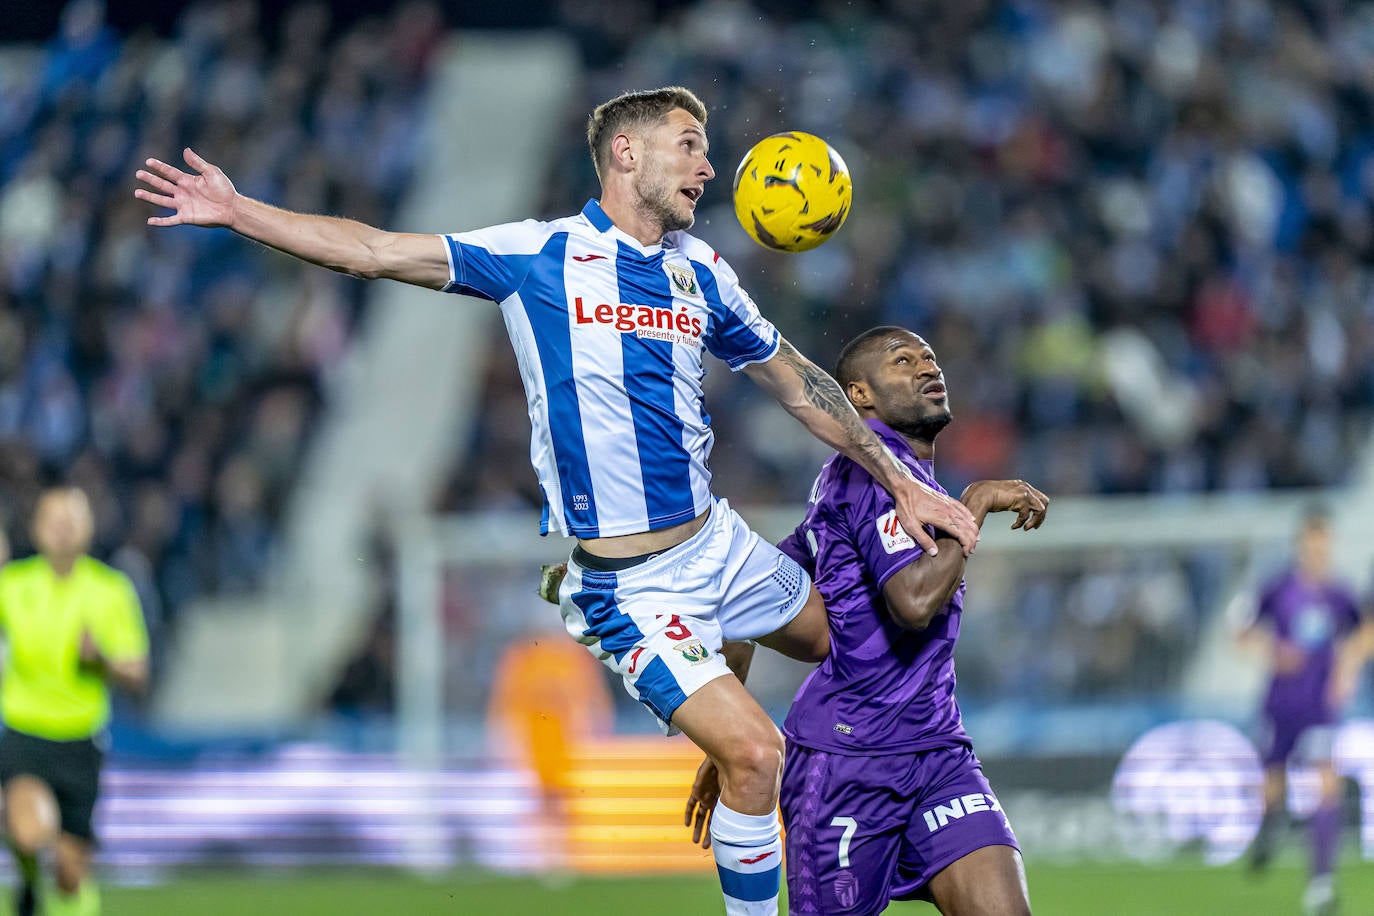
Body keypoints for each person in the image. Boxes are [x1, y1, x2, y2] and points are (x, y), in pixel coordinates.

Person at [135, 86, 979, 914]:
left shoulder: (703, 274)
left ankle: (904, 820)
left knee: (855, 642)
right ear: (626, 152)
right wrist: (242, 212)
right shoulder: (540, 255)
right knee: (757, 752)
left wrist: (902, 481)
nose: (709, 166)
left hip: (717, 546)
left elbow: (799, 383)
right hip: (637, 586)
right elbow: (375, 250)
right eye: (688, 145)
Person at [686, 326, 1047, 915]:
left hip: (937, 751)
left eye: (930, 357)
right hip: (848, 764)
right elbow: (912, 603)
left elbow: (749, 601)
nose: (928, 368)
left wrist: (726, 741)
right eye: (902, 361)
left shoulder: (870, 481)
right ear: (860, 397)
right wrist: (975, 502)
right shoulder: (875, 477)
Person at [0, 486, 150, 916]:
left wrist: (102, 661)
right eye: (54, 521)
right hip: (25, 732)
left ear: (88, 527)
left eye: (72, 521)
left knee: (70, 874)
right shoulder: (13, 584)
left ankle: (42, 885)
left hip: (81, 739)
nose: (63, 530)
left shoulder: (111, 590)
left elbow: (138, 671)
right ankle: (28, 870)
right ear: (36, 528)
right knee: (29, 832)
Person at [1240, 509, 1373, 916]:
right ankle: (1270, 824)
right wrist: (1271, 651)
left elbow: (1366, 629)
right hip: (1280, 703)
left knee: (1325, 782)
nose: (1317, 551)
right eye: (1311, 543)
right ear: (1301, 545)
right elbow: (1242, 630)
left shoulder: (1338, 595)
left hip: (1319, 705)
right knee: (1273, 781)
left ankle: (1321, 884)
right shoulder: (1276, 589)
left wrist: (1348, 665)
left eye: (1322, 544)